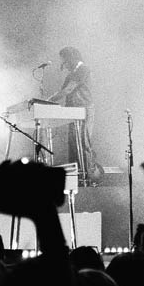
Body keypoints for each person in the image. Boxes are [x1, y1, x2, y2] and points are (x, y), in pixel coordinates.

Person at [47, 46, 99, 183]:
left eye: (65, 61)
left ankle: (88, 176)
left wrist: (49, 100)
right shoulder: (72, 73)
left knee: (83, 141)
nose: (63, 64)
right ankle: (76, 177)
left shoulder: (83, 69)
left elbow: (68, 89)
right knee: (73, 143)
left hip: (84, 109)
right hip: (73, 111)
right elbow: (64, 90)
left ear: (72, 58)